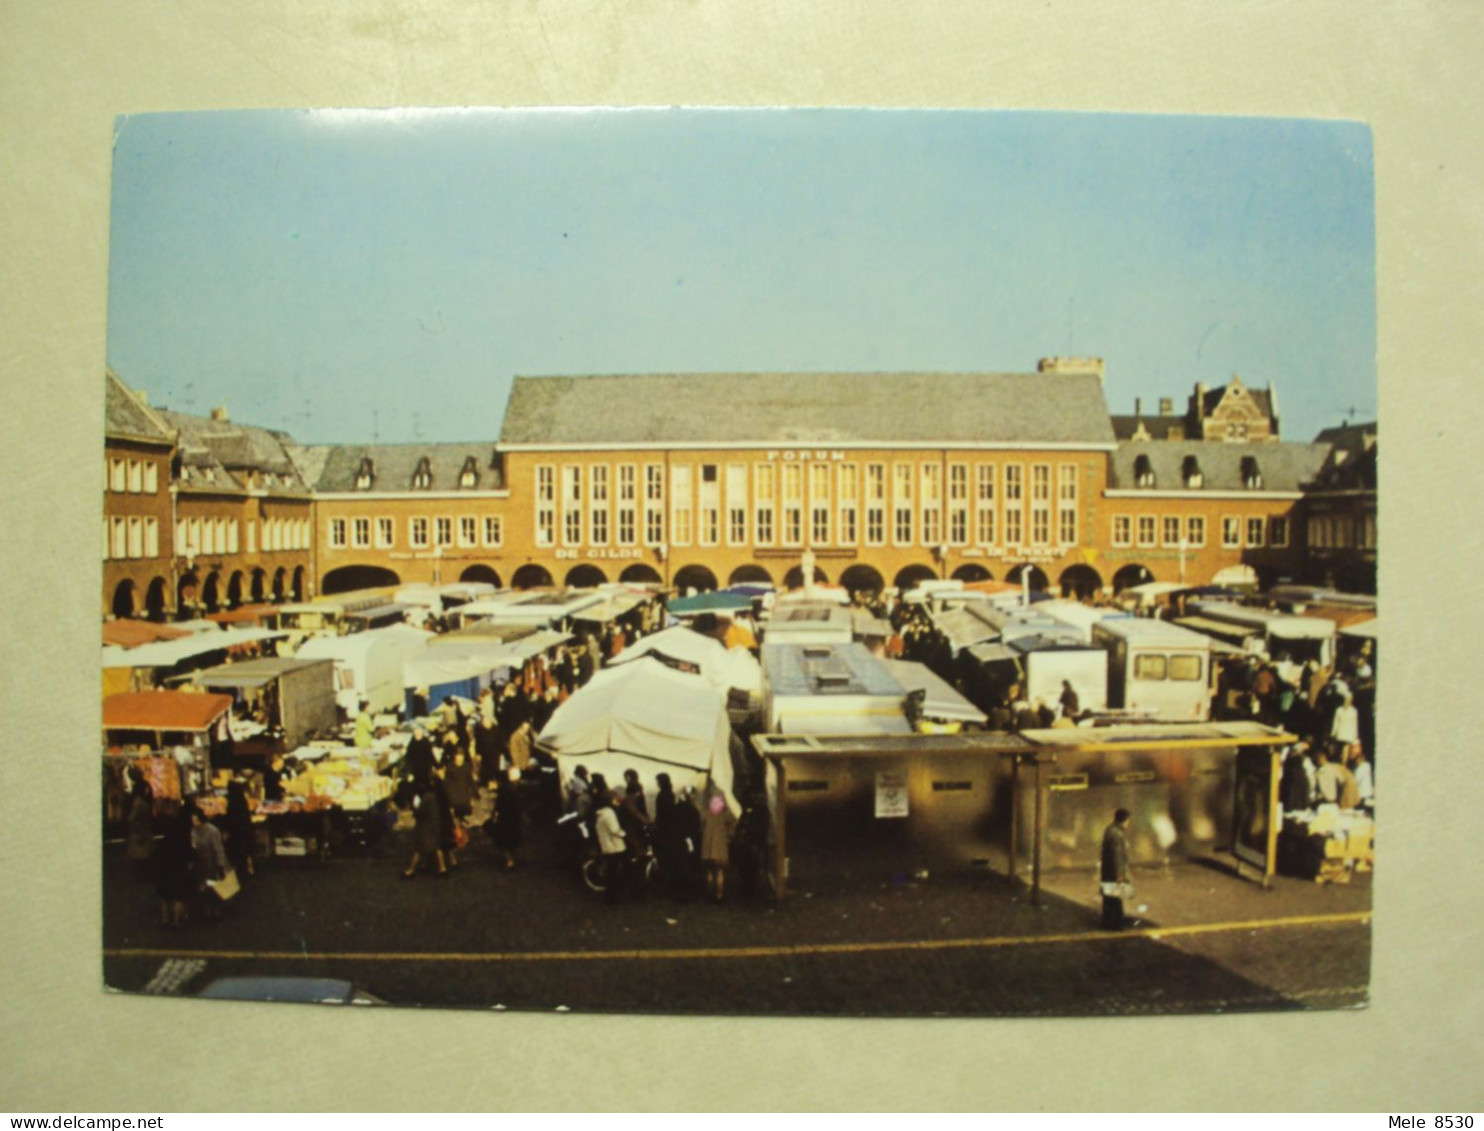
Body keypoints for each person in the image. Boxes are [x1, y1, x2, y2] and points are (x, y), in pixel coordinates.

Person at [155, 806, 194, 929]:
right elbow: (189, 852)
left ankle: (165, 919)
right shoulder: (184, 833)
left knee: (165, 895)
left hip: (165, 865)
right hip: (179, 866)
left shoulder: (167, 833)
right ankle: (176, 920)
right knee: (178, 895)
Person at [190, 806, 230, 922]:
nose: (194, 822)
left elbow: (218, 849)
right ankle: (208, 911)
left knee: (213, 888)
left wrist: (220, 864)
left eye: (195, 820)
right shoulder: (194, 830)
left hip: (211, 865)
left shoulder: (212, 831)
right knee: (205, 889)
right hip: (201, 865)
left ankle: (215, 911)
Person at [1100, 808, 1135, 931]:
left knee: (1109, 898)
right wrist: (1119, 874)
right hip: (1114, 872)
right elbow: (1117, 855)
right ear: (1125, 820)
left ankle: (1108, 922)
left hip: (1108, 871)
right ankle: (1115, 924)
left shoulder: (1110, 830)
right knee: (1115, 899)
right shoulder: (1118, 834)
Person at [404, 781, 448, 879]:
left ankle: (411, 870)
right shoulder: (436, 797)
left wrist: (414, 808)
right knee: (436, 847)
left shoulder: (427, 798)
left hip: (426, 827)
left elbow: (420, 812)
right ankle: (442, 868)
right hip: (435, 825)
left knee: (419, 848)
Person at [700, 788, 737, 903]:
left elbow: (701, 824)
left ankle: (709, 892)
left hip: (708, 845)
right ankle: (719, 894)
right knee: (720, 871)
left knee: (709, 871)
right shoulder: (725, 814)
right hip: (720, 845)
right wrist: (730, 834)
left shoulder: (706, 813)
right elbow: (734, 822)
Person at [594, 789, 628, 903]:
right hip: (614, 846)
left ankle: (611, 896)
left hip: (606, 845)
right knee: (615, 872)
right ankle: (612, 897)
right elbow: (614, 829)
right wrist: (624, 834)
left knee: (611, 871)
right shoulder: (609, 813)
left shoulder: (601, 813)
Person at [223, 778, 256, 879]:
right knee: (247, 850)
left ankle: (237, 871)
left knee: (236, 851)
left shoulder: (231, 801)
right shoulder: (242, 799)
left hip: (236, 830)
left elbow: (229, 817)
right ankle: (250, 868)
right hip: (246, 828)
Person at [492, 767, 524, 870]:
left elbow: (499, 803)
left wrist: (495, 812)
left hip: (505, 817)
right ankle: (514, 859)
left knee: (504, 840)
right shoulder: (519, 789)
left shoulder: (504, 789)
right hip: (515, 817)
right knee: (514, 839)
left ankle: (509, 860)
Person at [125, 775, 154, 880]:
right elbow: (132, 818)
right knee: (141, 856)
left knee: (142, 856)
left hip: (142, 832)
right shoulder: (139, 802)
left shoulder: (140, 801)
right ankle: (141, 876)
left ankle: (141, 875)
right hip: (140, 833)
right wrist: (140, 829)